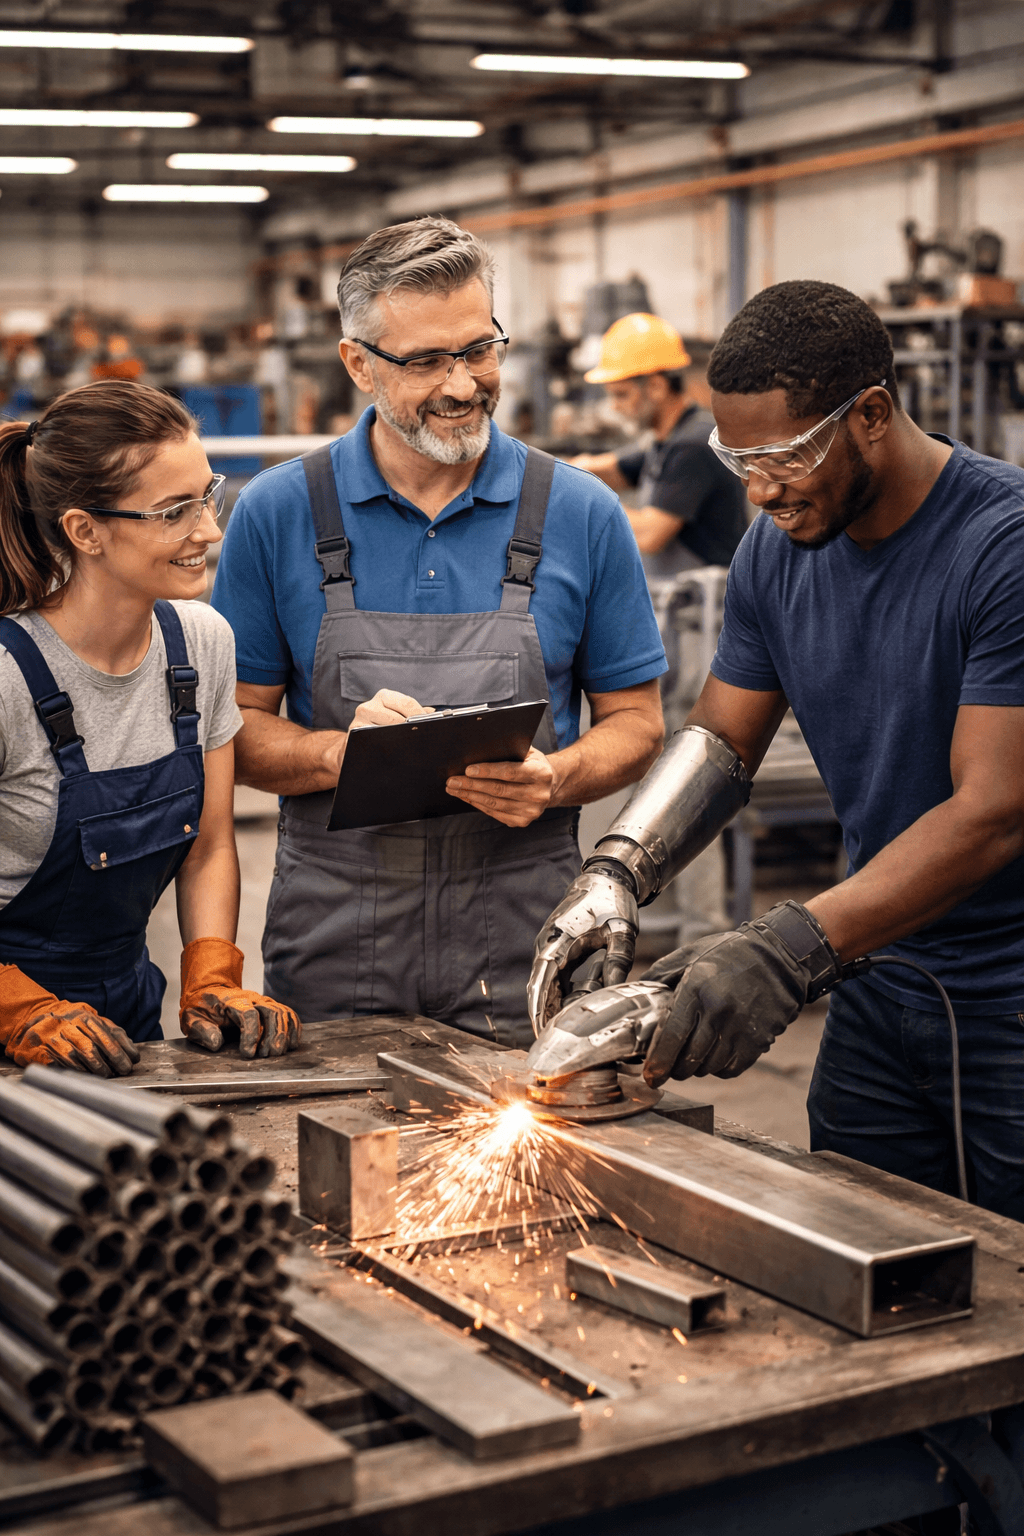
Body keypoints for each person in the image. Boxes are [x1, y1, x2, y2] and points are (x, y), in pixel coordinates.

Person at [529, 280, 1024, 1219]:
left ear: (872, 414)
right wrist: (619, 871)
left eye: (785, 456)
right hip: (878, 980)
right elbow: (719, 739)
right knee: (872, 1249)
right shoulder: (775, 552)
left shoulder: (1002, 547)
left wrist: (785, 948)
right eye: (737, 458)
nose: (759, 490)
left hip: (1009, 998)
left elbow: (992, 811)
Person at [211, 216, 666, 1047]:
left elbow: (637, 722)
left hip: (521, 922)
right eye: (425, 360)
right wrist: (333, 756)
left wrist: (556, 778)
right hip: (336, 933)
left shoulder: (581, 514)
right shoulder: (277, 514)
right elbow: (231, 733)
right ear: (358, 363)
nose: (462, 383)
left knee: (520, 1166)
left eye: (480, 350)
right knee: (340, 1160)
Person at [0, 380, 300, 1076]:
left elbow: (210, 845)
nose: (209, 531)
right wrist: (19, 1009)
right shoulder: (9, 679)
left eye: (207, 495)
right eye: (174, 512)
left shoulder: (201, 644)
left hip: (122, 1017)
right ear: (85, 530)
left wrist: (212, 975)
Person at [572, 312, 748, 578]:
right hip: (683, 604)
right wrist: (554, 471)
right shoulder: (663, 440)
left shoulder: (693, 444)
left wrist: (580, 496)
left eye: (621, 395)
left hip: (706, 609)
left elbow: (648, 536)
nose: (614, 406)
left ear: (655, 386)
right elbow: (610, 468)